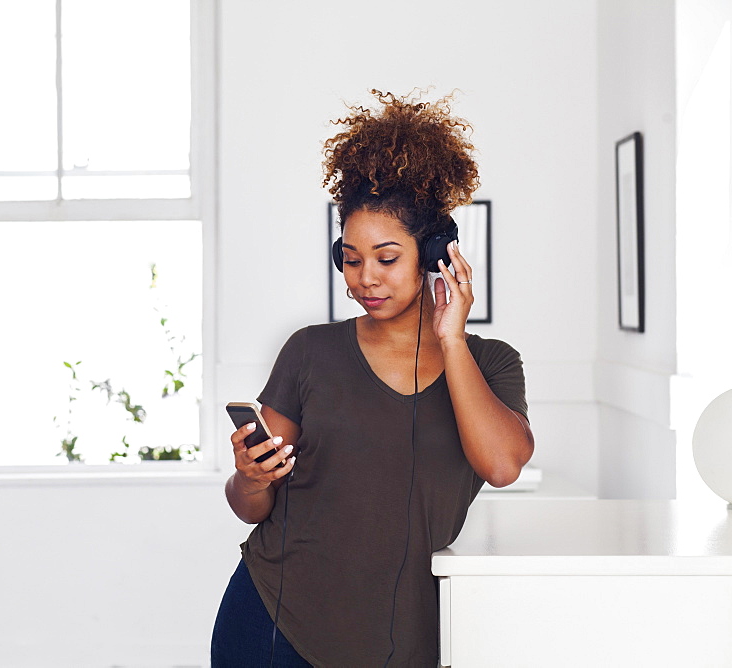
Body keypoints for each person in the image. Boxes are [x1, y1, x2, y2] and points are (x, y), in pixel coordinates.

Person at [210, 90, 534, 667]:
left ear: (435, 254)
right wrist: (249, 475)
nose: (364, 278)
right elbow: (251, 504)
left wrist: (452, 336)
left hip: (401, 637)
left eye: (386, 258)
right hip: (274, 621)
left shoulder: (492, 363)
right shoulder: (309, 352)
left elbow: (503, 465)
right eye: (351, 258)